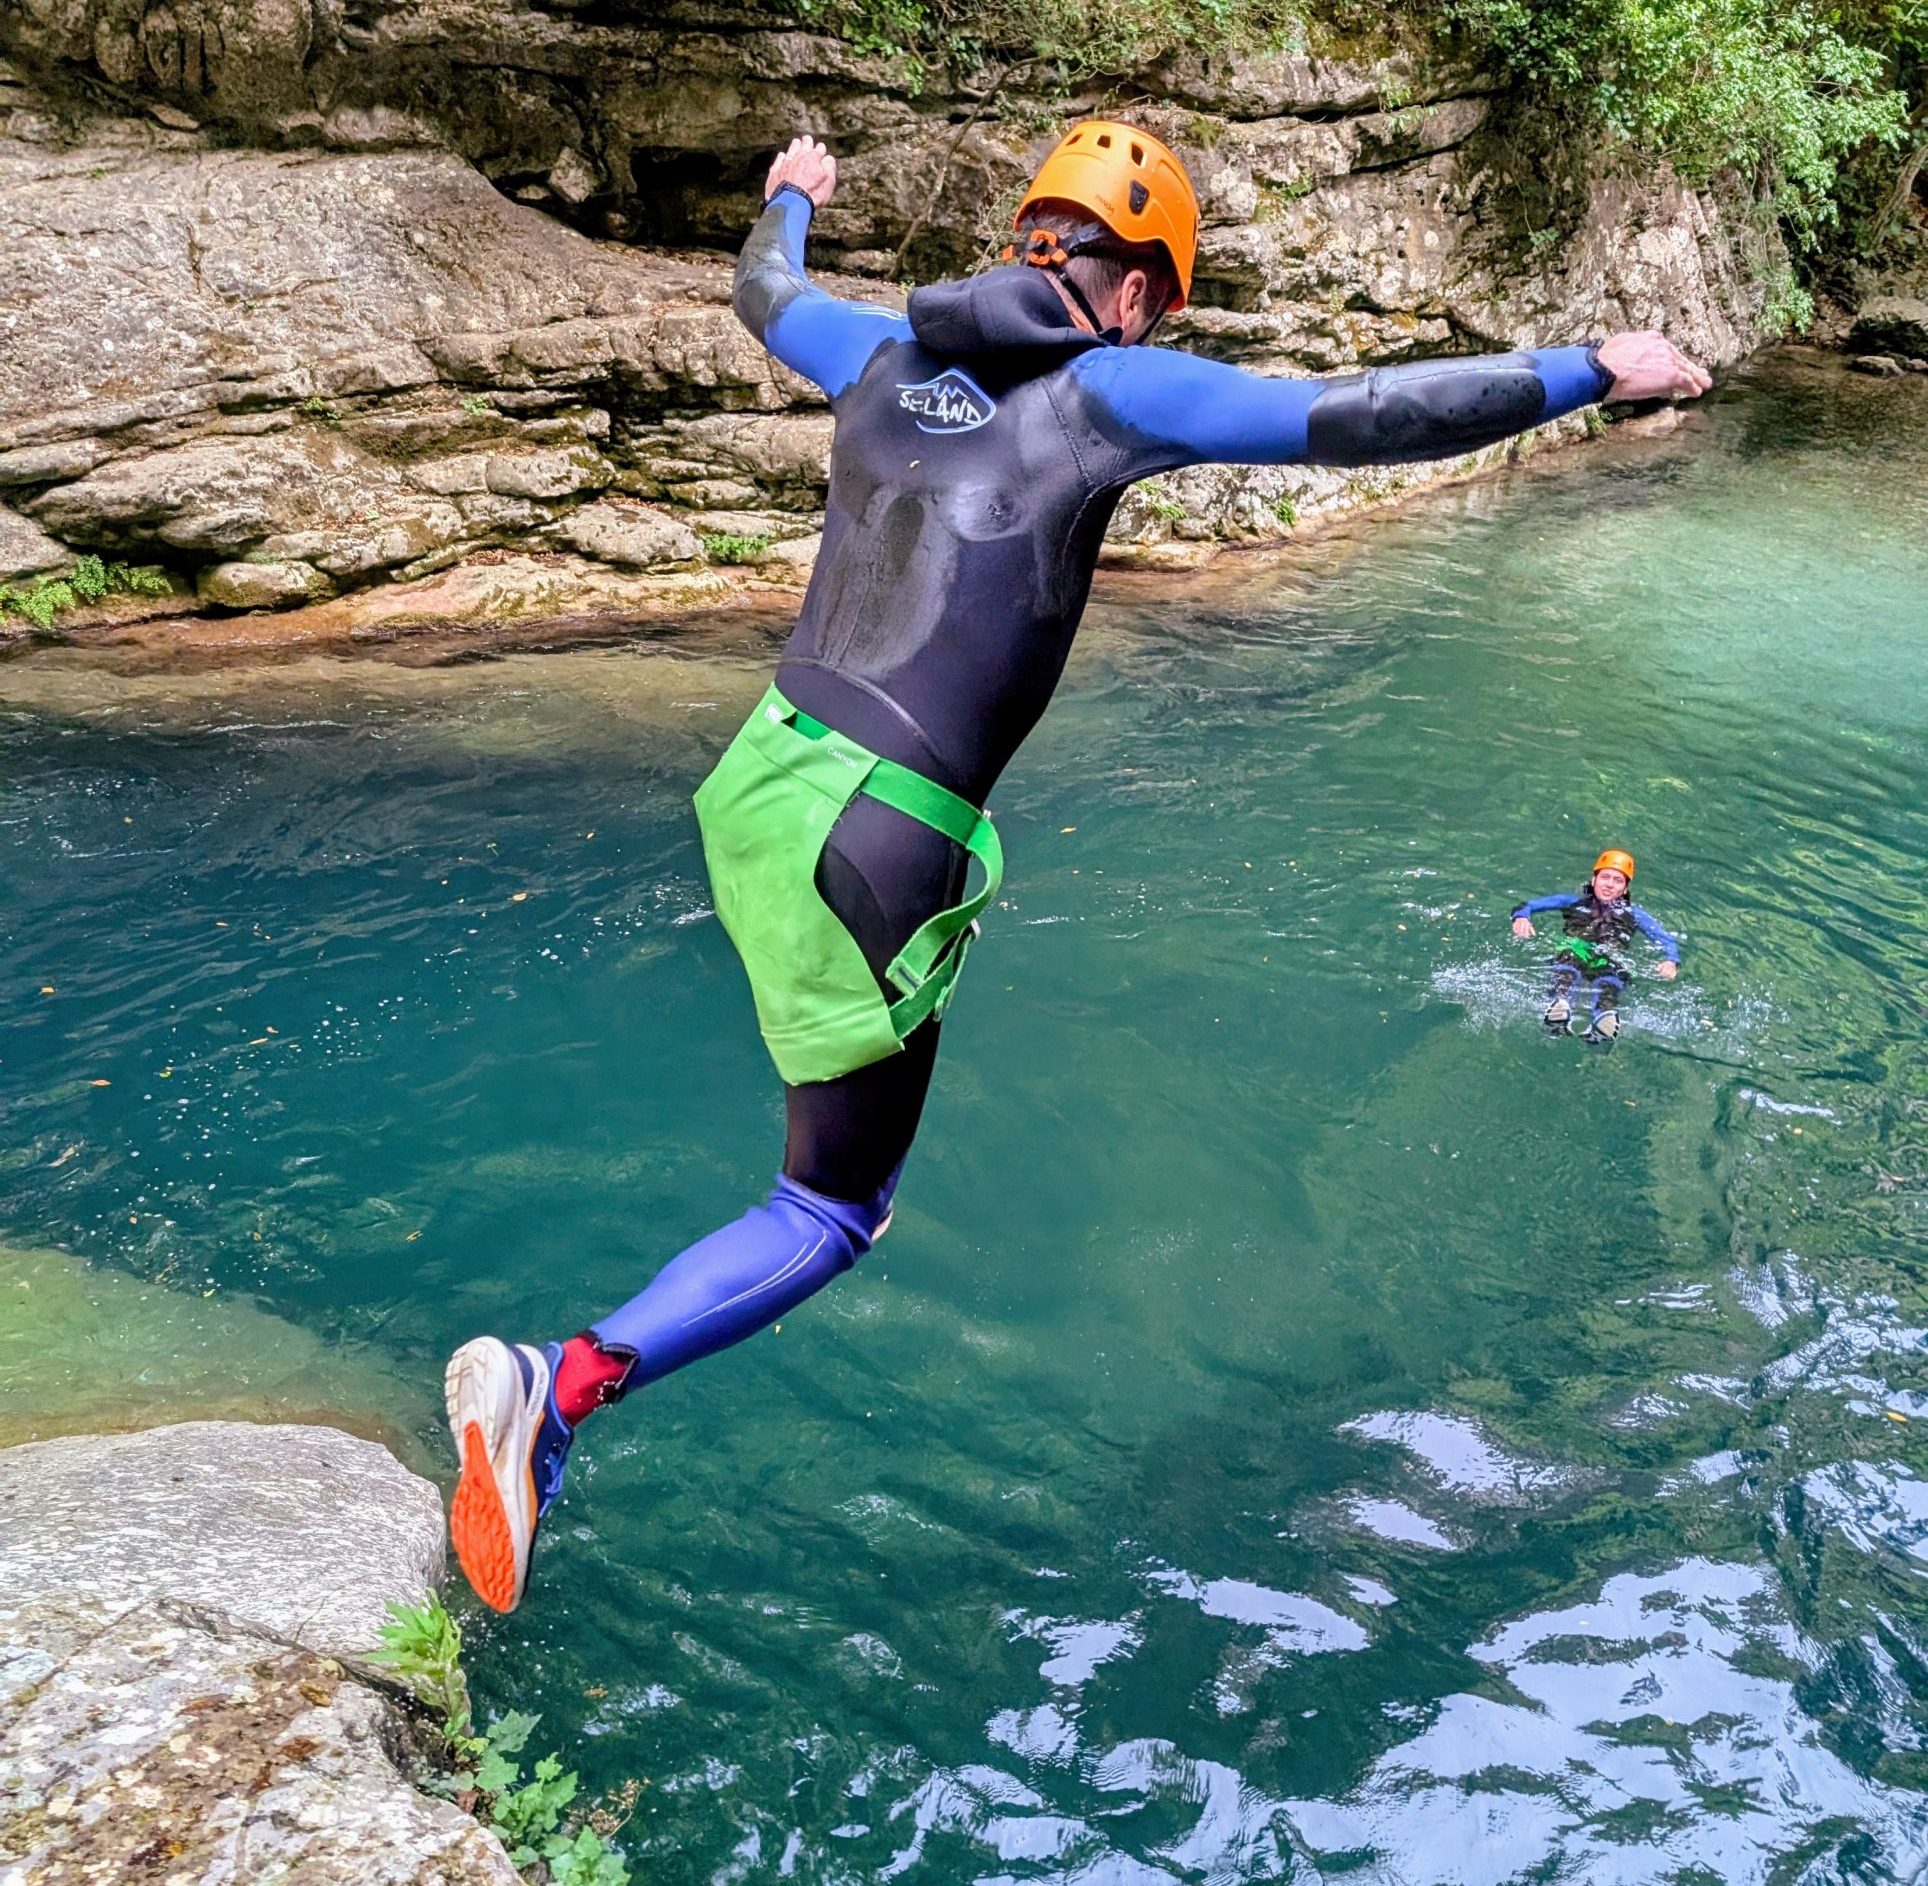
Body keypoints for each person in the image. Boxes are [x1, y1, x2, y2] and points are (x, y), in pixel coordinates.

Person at [444, 124, 1713, 1613]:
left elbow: (760, 287)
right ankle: (559, 1385)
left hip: (761, 783)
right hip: (881, 831)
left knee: (833, 1153)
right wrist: (1592, 366)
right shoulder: (1107, 389)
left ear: (1031, 235)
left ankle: (562, 1388)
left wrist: (794, 189)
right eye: (1162, 304)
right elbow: (1354, 413)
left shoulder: (873, 347)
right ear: (1143, 292)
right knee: (833, 1208)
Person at [1510, 848, 1681, 1045]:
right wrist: (1521, 918)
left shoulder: (1635, 914)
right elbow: (1527, 905)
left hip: (1608, 956)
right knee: (1569, 959)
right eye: (1605, 877)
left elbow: (1665, 939)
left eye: (1618, 881)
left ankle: (1604, 1020)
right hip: (1575, 949)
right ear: (1594, 881)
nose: (1609, 884)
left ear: (1625, 889)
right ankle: (1560, 1004)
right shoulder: (1572, 902)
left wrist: (1671, 960)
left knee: (1612, 975)